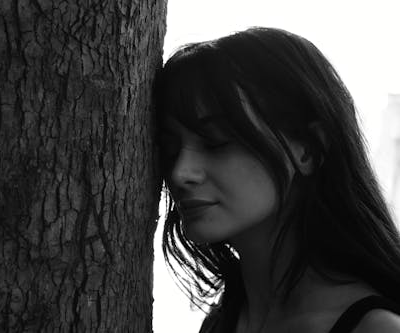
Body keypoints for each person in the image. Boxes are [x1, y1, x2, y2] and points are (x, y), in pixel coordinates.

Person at [154, 27, 400, 333]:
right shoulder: (222, 322)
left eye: (214, 140)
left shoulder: (376, 329)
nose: (180, 172)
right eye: (170, 148)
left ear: (308, 150)